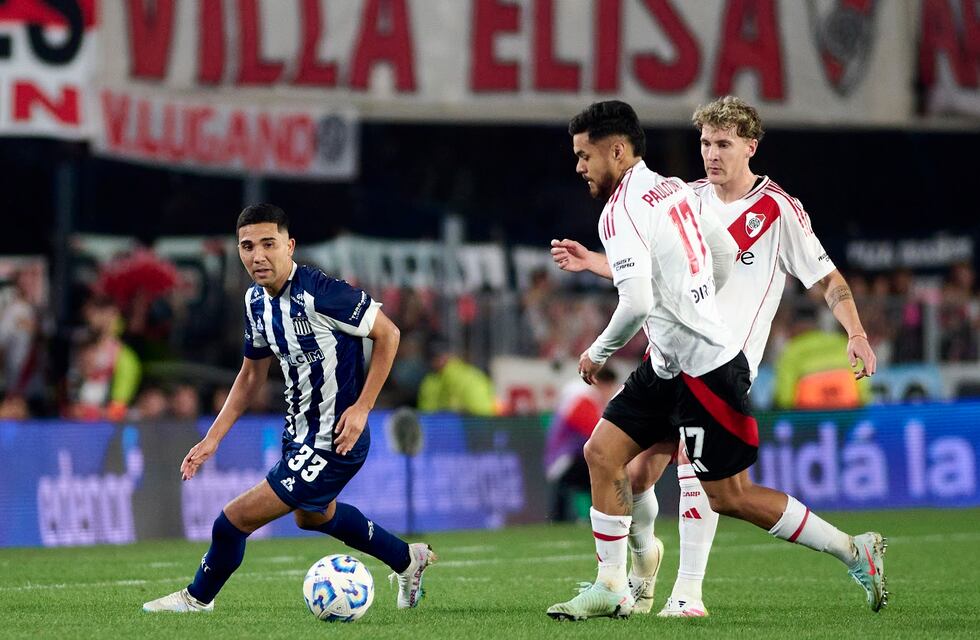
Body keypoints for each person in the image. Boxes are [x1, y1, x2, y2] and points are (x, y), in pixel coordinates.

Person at [545, 101, 886, 621]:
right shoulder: (685, 194)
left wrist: (856, 331)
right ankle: (621, 580)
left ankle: (693, 591)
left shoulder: (777, 209)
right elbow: (672, 263)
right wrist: (601, 263)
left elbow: (828, 280)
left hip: (718, 362)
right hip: (669, 359)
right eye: (705, 143)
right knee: (620, 466)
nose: (711, 154)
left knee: (720, 490)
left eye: (723, 143)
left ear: (751, 146)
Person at [143, 204, 436, 613]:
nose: (257, 255)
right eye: (247, 246)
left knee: (233, 521)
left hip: (335, 437)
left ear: (289, 245)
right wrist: (212, 439)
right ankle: (408, 559)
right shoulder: (256, 303)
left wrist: (362, 408)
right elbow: (250, 377)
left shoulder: (323, 291)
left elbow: (388, 334)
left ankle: (197, 598)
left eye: (268, 244)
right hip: (298, 434)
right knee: (312, 517)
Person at [544, 368, 620, 522]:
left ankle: (603, 515)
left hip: (567, 458)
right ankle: (606, 516)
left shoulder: (582, 395)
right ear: (604, 384)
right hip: (565, 460)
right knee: (610, 470)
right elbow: (596, 434)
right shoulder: (584, 399)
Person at [774, 303, 870, 409]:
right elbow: (862, 381)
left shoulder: (792, 349)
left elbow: (785, 397)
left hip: (810, 412)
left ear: (795, 327)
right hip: (847, 409)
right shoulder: (842, 342)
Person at [416, 341, 496, 416]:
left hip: (468, 420)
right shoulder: (472, 372)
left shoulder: (445, 376)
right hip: (485, 416)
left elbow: (430, 409)